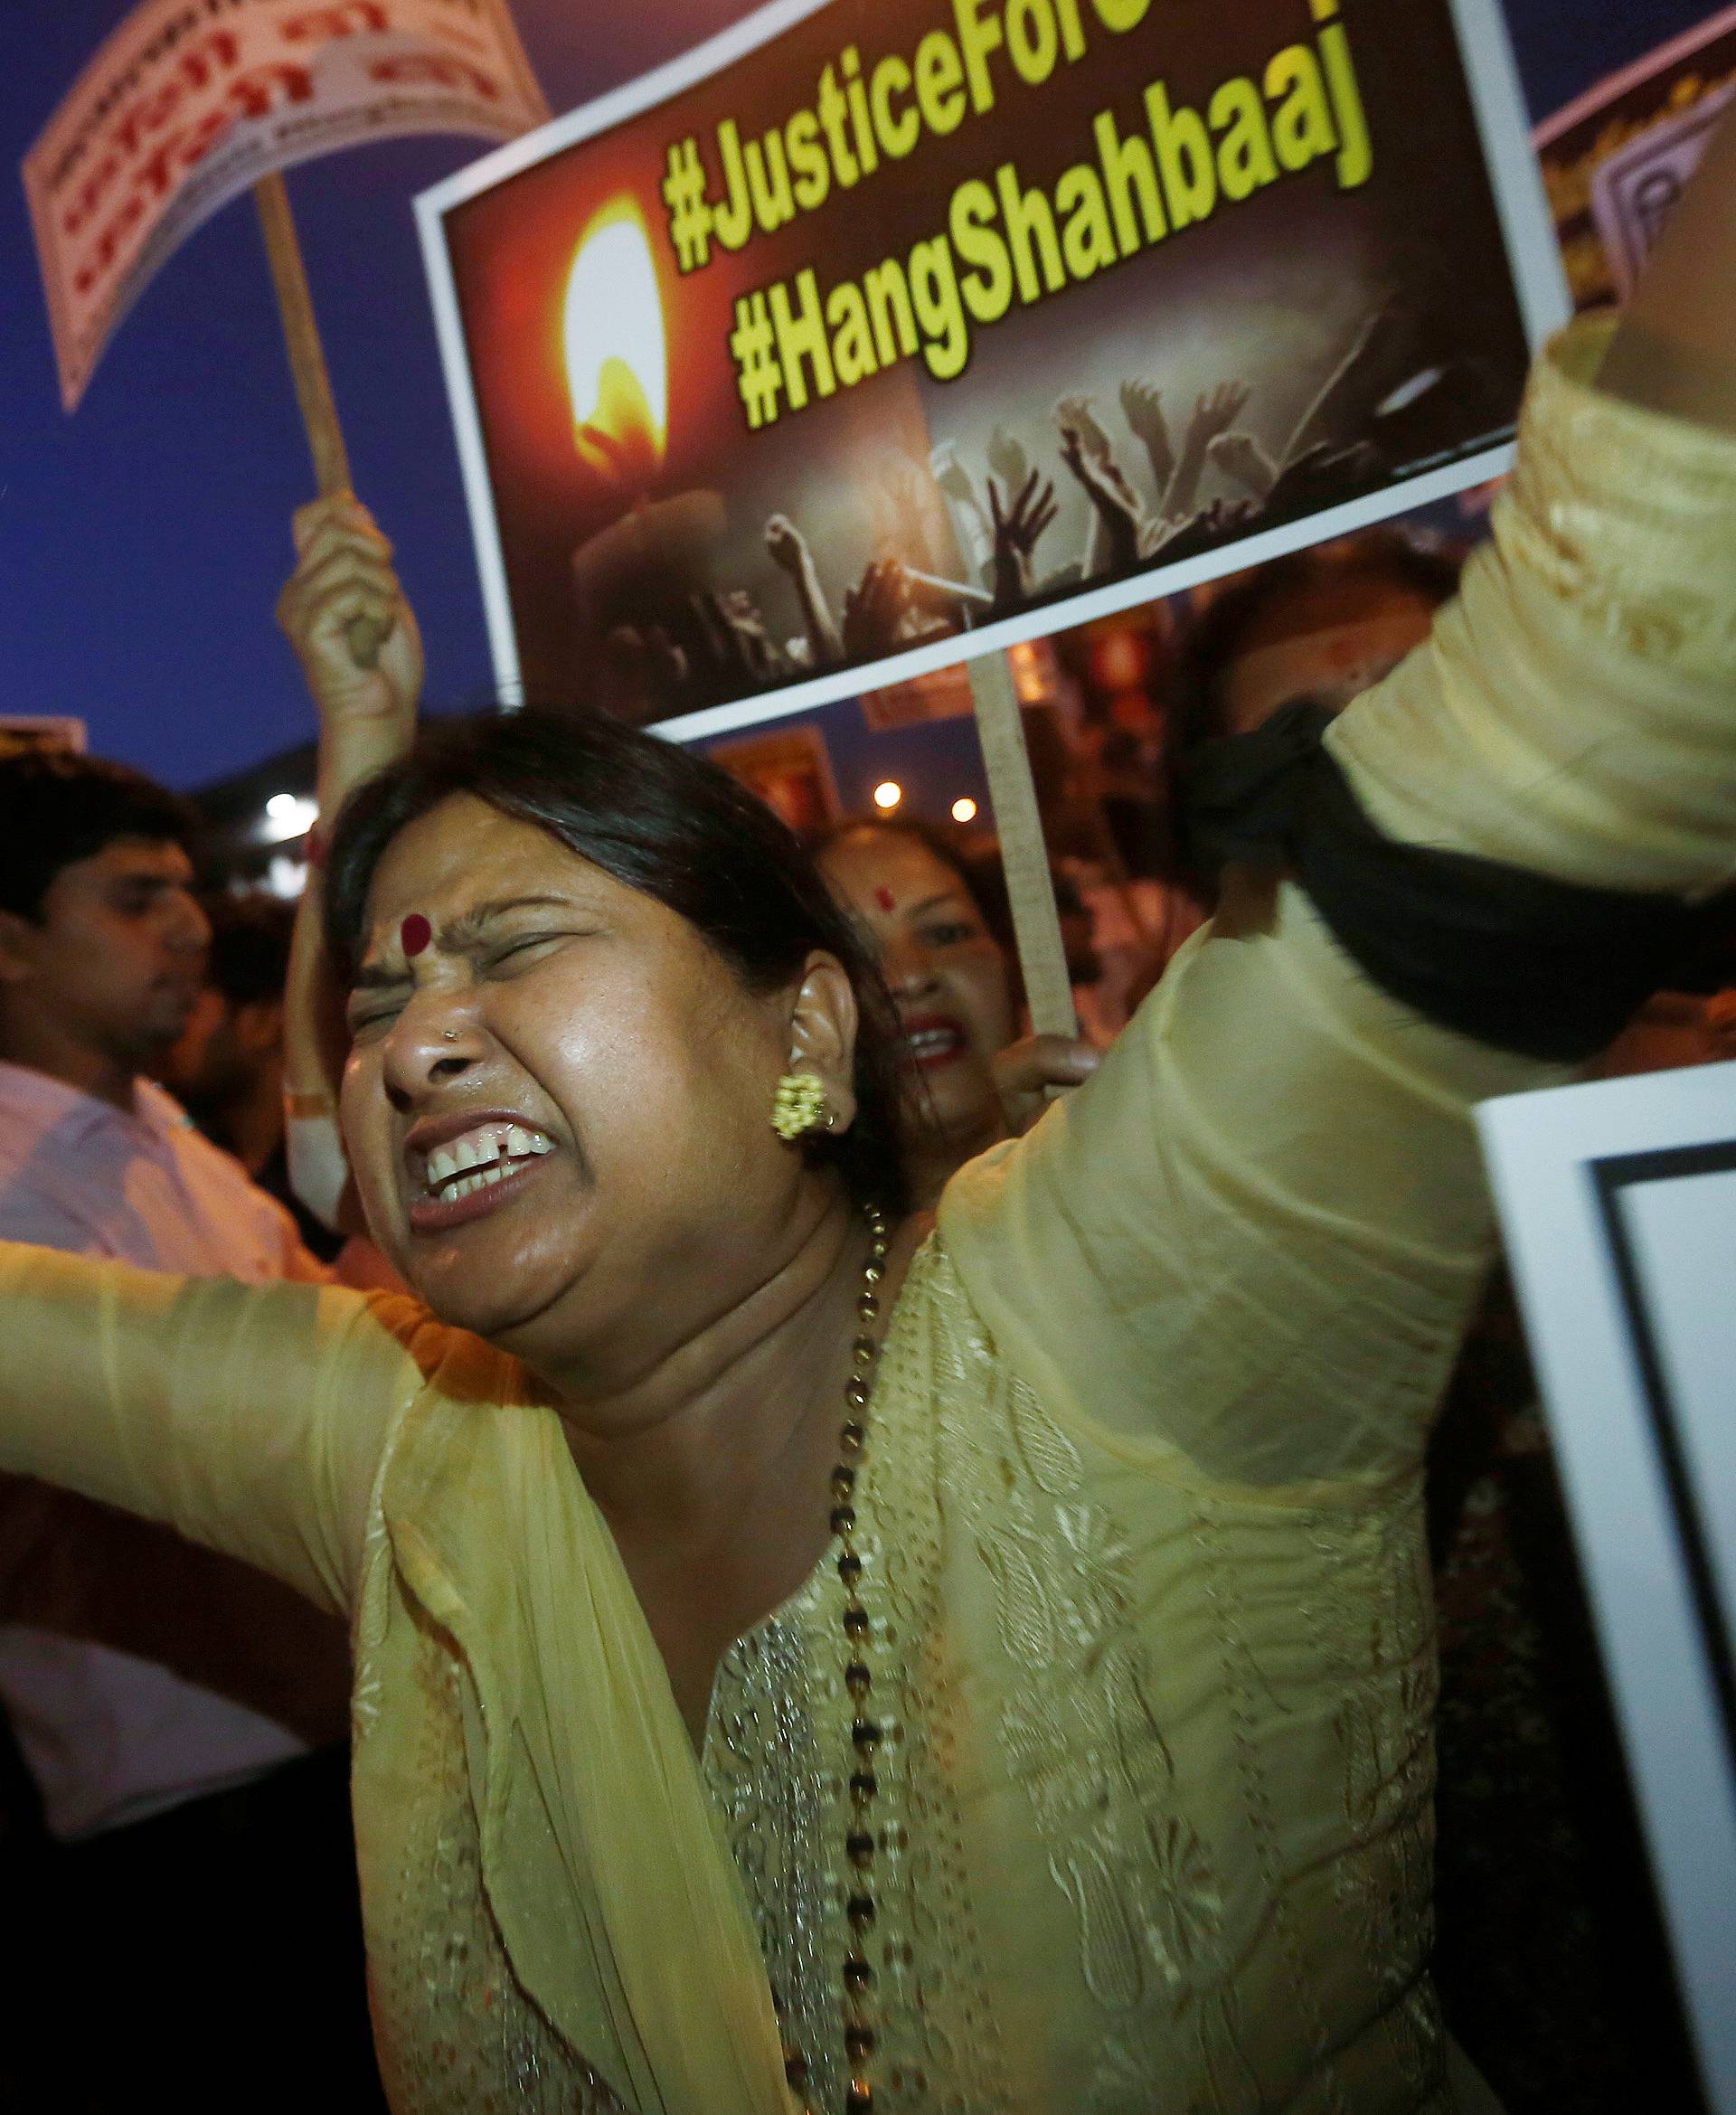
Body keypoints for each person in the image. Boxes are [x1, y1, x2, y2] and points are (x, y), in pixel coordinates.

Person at [2, 110, 1734, 2115]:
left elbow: (1598, 681)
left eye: (515, 944)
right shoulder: (408, 1456)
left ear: (803, 1029)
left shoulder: (1122, 1306)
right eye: (382, 988)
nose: (411, 1038)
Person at [0, 748, 381, 2110]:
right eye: (131, 898)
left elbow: (330, 1327)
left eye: (185, 890)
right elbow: (263, 1429)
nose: (189, 925)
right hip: (189, 1833)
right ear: (9, 946)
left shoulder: (158, 1126)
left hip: (317, 1770)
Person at [814, 818, 1100, 1206]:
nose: (909, 978)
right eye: (855, 955)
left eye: (946, 934)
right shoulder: (814, 1262)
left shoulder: (1130, 1155)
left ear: (1011, 967)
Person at [167, 890, 343, 1260]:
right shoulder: (188, 1160)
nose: (171, 1027)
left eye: (190, 1005)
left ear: (262, 1023)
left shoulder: (337, 1183)